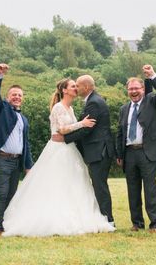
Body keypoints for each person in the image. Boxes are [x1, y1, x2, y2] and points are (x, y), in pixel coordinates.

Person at [2, 78, 114, 237]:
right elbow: (61, 129)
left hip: (69, 149)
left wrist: (80, 125)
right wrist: (82, 123)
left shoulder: (71, 108)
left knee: (73, 183)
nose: (76, 88)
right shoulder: (58, 107)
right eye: (73, 86)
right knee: (57, 183)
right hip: (58, 150)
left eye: (77, 86)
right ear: (64, 90)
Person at [116, 64, 156, 232]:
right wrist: (119, 154)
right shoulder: (124, 109)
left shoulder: (151, 101)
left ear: (143, 89)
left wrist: (152, 74)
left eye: (136, 88)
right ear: (127, 91)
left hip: (147, 152)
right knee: (133, 189)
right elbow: (120, 132)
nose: (134, 91)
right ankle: (137, 223)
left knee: (150, 189)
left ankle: (155, 223)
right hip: (129, 153)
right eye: (131, 89)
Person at [62, 74, 116, 227]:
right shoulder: (93, 101)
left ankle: (108, 220)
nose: (76, 88)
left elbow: (87, 129)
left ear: (86, 87)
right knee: (99, 184)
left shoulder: (94, 103)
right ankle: (104, 218)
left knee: (100, 185)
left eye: (77, 85)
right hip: (98, 150)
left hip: (99, 150)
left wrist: (66, 139)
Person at [0, 63, 33, 235]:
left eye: (19, 95)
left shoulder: (24, 119)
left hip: (17, 161)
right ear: (8, 98)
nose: (17, 97)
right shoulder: (2, 109)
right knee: (2, 191)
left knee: (12, 194)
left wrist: (28, 165)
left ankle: (8, 221)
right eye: (14, 94)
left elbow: (25, 143)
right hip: (2, 159)